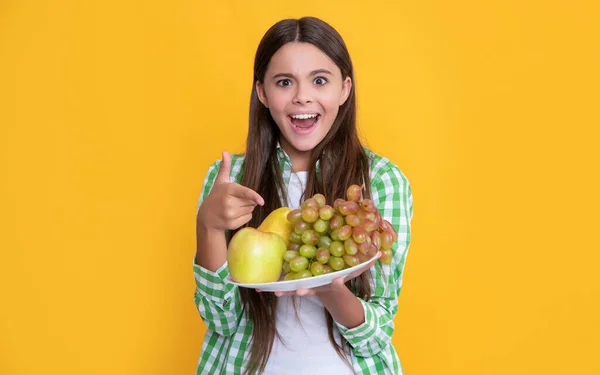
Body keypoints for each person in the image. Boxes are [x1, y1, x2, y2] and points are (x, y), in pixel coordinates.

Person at [192, 16, 413, 375]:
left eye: (320, 80)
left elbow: (376, 335)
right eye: (284, 82)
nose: (302, 96)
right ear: (262, 92)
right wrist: (208, 226)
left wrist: (330, 289)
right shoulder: (231, 180)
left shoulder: (381, 180)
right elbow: (221, 320)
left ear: (344, 89)